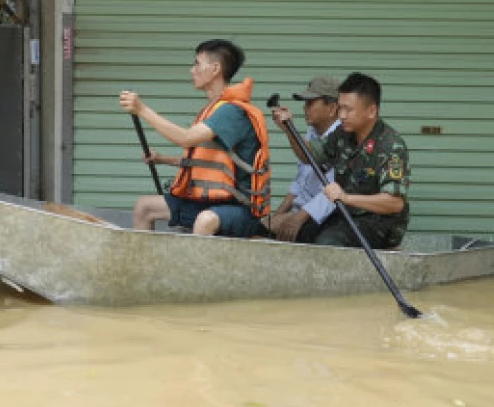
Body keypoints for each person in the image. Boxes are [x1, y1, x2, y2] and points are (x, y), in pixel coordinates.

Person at [119, 39, 270, 237]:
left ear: (215, 69)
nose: (192, 70)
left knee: (205, 220)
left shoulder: (232, 111)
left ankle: (194, 268)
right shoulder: (211, 110)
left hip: (239, 211)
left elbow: (186, 138)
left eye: (197, 63)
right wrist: (162, 159)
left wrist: (142, 109)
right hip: (206, 204)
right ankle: (143, 266)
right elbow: (206, 161)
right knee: (144, 206)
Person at [272, 72, 410, 249]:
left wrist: (346, 198)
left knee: (328, 243)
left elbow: (395, 203)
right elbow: (310, 156)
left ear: (372, 111)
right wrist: (288, 130)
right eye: (340, 108)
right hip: (345, 216)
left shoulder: (391, 146)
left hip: (379, 223)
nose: (342, 115)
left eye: (349, 109)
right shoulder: (343, 135)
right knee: (297, 232)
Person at [266, 76, 341, 243]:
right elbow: (300, 182)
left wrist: (297, 218)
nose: (305, 108)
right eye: (305, 103)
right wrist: (278, 215)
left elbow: (334, 193)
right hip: (302, 212)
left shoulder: (342, 138)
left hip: (324, 217)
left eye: (311, 103)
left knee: (256, 231)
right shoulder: (312, 133)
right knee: (260, 229)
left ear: (332, 108)